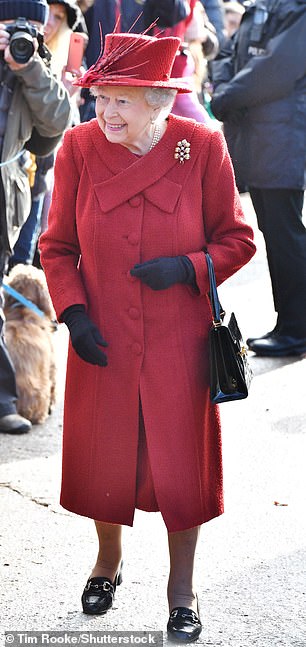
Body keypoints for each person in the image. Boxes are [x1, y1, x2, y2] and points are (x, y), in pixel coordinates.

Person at [39, 31, 255, 640]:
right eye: (101, 97)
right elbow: (56, 247)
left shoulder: (202, 146)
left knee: (180, 467)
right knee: (104, 458)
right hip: (102, 334)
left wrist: (188, 268)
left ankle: (181, 588)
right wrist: (74, 313)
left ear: (160, 101)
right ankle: (108, 562)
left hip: (176, 340)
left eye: (121, 101)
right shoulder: (79, 148)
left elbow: (238, 239)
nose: (105, 113)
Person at [210, 0, 306, 357]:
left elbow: (278, 67)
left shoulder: (296, 9)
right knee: (276, 232)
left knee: (285, 234)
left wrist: (227, 95)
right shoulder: (263, 6)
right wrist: (222, 88)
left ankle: (296, 329)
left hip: (282, 137)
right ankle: (289, 324)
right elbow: (226, 53)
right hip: (259, 137)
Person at [0, 0, 71, 435]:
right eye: (10, 25)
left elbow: (58, 123)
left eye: (30, 27)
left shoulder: (35, 66)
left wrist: (29, 69)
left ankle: (5, 398)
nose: (20, 35)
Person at [10, 0, 84, 269]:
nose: (50, 22)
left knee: (21, 264)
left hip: (31, 182)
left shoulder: (49, 62)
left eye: (58, 17)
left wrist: (61, 91)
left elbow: (50, 136)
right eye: (47, 14)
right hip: (17, 177)